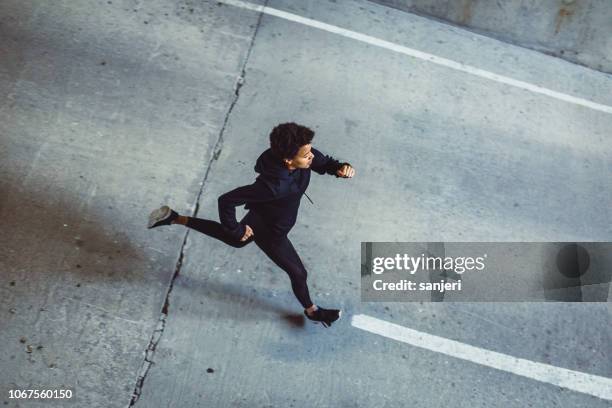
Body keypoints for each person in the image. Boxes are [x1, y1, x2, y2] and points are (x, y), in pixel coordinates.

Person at [148, 122, 355, 327]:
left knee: (236, 242)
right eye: (306, 154)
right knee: (298, 273)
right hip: (271, 232)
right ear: (288, 160)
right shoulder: (272, 186)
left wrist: (340, 168)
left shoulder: (301, 155)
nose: (312, 156)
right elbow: (226, 200)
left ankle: (174, 217)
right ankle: (313, 311)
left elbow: (324, 162)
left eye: (310, 150)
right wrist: (236, 228)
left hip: (264, 217)